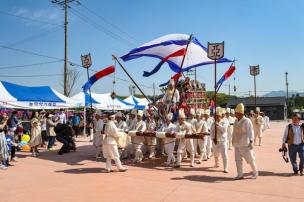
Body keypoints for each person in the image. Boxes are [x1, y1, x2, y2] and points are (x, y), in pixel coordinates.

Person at [232, 103, 258, 179]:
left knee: (250, 159)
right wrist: (232, 140)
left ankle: (255, 172)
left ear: (240, 113)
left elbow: (250, 131)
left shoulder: (247, 121)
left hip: (245, 143)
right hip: (237, 143)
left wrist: (251, 141)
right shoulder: (235, 121)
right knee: (238, 160)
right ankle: (240, 174)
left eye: (236, 113)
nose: (235, 114)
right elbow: (234, 132)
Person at [211, 108, 229, 173]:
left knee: (224, 154)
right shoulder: (213, 123)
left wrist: (218, 125)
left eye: (217, 116)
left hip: (222, 140)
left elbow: (224, 130)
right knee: (215, 153)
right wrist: (213, 138)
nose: (215, 117)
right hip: (216, 140)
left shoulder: (225, 121)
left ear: (220, 116)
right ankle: (216, 163)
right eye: (214, 116)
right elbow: (212, 132)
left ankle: (226, 167)